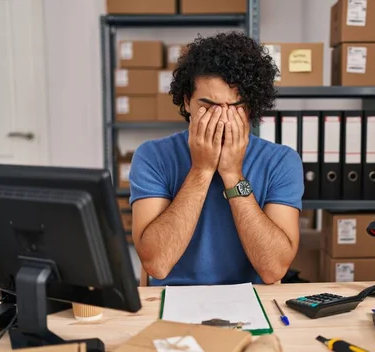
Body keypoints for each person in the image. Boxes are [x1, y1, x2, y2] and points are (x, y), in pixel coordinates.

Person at [129, 31, 304, 286]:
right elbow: (156, 263)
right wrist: (201, 170)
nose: (222, 119)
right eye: (208, 107)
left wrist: (233, 174)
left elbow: (274, 269)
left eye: (235, 107)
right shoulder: (152, 156)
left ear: (251, 107)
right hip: (174, 299)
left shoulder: (281, 161)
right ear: (187, 102)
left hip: (252, 300)